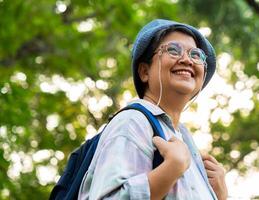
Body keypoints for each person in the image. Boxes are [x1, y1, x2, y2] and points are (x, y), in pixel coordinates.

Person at [78, 19, 228, 200]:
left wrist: (219, 197)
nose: (187, 60)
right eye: (173, 50)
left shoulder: (185, 140)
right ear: (144, 72)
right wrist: (172, 168)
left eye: (196, 55)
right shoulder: (133, 122)